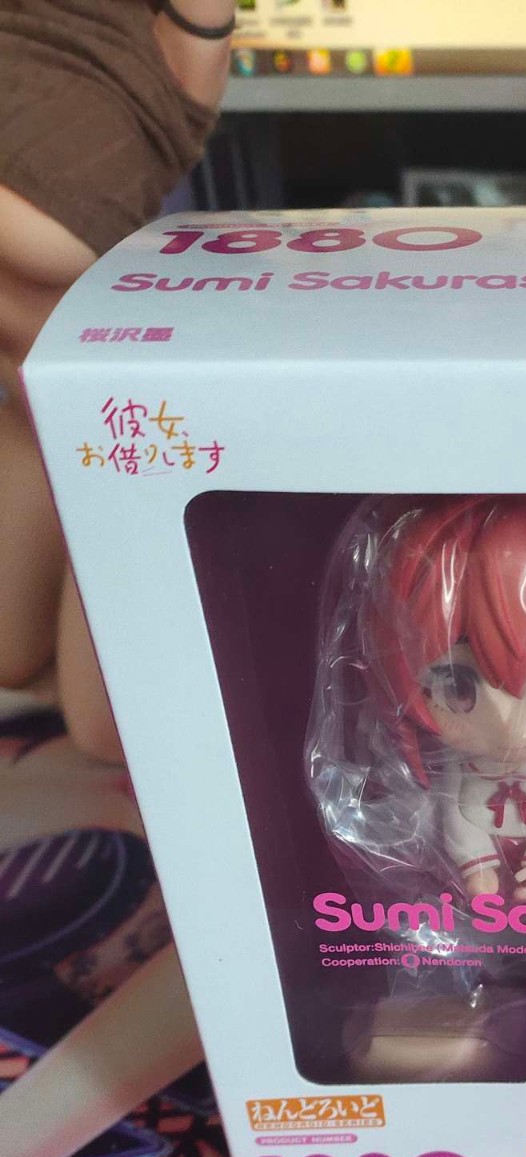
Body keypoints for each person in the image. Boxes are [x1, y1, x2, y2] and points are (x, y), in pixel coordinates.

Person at [0, 0, 235, 761]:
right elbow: (199, 44)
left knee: (36, 394)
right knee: (91, 417)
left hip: (36, 137)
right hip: (64, 163)